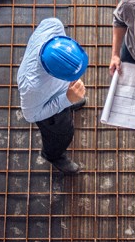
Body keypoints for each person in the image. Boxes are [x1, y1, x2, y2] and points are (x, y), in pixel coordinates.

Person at [17, 18, 89, 175]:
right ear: (53, 74)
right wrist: (66, 100)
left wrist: (69, 94)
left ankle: (70, 102)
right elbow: (31, 115)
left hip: (58, 91)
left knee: (71, 100)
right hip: (46, 105)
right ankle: (53, 155)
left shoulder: (53, 26)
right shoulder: (33, 88)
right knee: (63, 133)